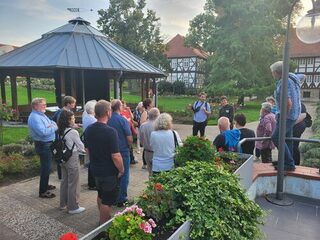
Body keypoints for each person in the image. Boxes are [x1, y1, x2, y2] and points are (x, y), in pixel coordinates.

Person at [85, 100, 124, 224]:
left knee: (101, 194)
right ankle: (103, 226)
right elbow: (116, 156)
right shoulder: (110, 132)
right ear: (108, 112)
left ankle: (104, 217)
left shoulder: (89, 129)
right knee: (107, 200)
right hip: (108, 171)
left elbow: (87, 150)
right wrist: (121, 169)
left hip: (95, 169)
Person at [270, 61, 301, 171]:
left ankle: (289, 163)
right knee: (287, 139)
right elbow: (303, 76)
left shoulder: (284, 82)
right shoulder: (293, 77)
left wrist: (283, 117)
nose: (272, 75)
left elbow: (288, 103)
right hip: (294, 115)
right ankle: (286, 161)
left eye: (272, 72)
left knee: (276, 137)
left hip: (287, 117)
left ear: (277, 72)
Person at [28, 98, 58, 198]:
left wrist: (51, 126)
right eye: (43, 105)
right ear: (35, 106)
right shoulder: (35, 117)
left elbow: (52, 122)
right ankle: (43, 191)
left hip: (46, 144)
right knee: (46, 168)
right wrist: (53, 127)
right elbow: (43, 132)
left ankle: (45, 185)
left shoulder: (41, 114)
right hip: (43, 145)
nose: (45, 106)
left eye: (45, 104)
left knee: (47, 167)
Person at [58, 110, 86, 214]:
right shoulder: (73, 132)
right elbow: (81, 146)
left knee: (64, 181)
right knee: (73, 183)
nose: (74, 119)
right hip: (72, 157)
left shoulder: (60, 130)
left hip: (63, 157)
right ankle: (73, 207)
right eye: (73, 118)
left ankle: (63, 204)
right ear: (68, 120)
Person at [107, 99, 133, 207]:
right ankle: (122, 199)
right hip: (122, 150)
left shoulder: (107, 119)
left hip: (109, 151)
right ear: (119, 107)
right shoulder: (122, 120)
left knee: (113, 174)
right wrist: (130, 146)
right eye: (122, 105)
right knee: (124, 174)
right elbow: (129, 137)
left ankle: (112, 197)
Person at [52, 96, 78, 180]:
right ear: (68, 104)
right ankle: (61, 175)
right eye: (73, 103)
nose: (74, 104)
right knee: (61, 153)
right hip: (61, 136)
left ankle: (63, 174)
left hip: (64, 134)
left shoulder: (68, 111)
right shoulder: (61, 112)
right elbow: (59, 123)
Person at [139, 107, 160, 177]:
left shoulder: (143, 126)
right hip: (157, 153)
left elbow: (141, 141)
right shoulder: (159, 126)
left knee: (150, 173)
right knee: (158, 174)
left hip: (147, 153)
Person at [82, 100, 97, 190]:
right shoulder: (93, 119)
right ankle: (92, 184)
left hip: (88, 140)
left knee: (91, 162)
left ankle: (91, 183)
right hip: (92, 141)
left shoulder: (86, 116)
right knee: (93, 163)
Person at [120, 100, 138, 164]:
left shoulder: (126, 111)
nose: (125, 105)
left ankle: (131, 158)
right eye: (124, 104)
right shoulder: (120, 112)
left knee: (130, 143)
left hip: (130, 128)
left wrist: (129, 110)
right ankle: (130, 158)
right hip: (125, 129)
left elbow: (132, 117)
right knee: (128, 143)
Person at [140, 98, 153, 169]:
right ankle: (145, 163)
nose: (153, 104)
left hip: (151, 131)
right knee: (146, 147)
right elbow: (142, 123)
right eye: (151, 103)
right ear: (148, 105)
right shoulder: (145, 113)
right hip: (147, 131)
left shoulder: (151, 111)